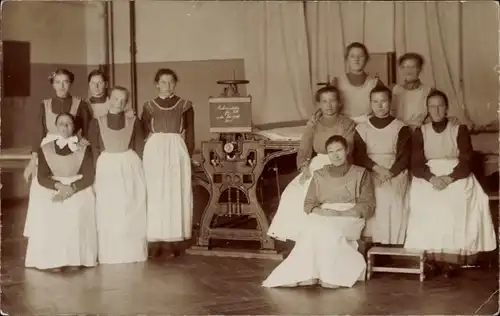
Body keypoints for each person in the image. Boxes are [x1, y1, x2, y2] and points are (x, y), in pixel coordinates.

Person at [404, 89, 496, 278]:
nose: (436, 110)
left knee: (457, 201)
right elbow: (416, 163)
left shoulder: (458, 129)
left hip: (455, 175)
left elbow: (466, 159)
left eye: (440, 106)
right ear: (427, 109)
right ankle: (430, 259)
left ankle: (451, 260)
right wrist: (431, 178)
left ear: (446, 108)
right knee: (425, 201)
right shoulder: (420, 132)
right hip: (429, 176)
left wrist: (450, 177)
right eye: (432, 106)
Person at [263, 135, 375, 288]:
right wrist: (322, 212)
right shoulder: (320, 174)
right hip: (325, 213)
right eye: (331, 152)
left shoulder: (361, 173)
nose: (335, 155)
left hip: (350, 215)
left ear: (347, 150)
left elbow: (367, 205)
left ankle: (333, 275)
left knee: (326, 228)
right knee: (310, 226)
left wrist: (340, 214)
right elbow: (309, 204)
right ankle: (308, 274)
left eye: (339, 150)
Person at [267, 86, 356, 243]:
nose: (328, 105)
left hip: (338, 163)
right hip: (318, 163)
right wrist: (304, 166)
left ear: (340, 103)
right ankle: (302, 238)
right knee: (294, 192)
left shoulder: (347, 124)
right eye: (324, 101)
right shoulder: (314, 124)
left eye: (333, 100)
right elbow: (305, 147)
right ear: (319, 105)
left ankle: (321, 238)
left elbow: (346, 149)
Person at [23, 68, 92, 239]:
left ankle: (72, 237)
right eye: (58, 82)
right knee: (44, 194)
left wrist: (83, 143)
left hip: (72, 151)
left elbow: (88, 131)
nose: (62, 86)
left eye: (65, 82)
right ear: (52, 84)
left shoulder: (80, 104)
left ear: (71, 83)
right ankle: (47, 237)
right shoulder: (44, 104)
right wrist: (33, 161)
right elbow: (37, 134)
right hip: (48, 151)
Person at [25, 112, 97, 272]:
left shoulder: (84, 148)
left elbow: (89, 176)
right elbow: (42, 177)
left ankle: (75, 260)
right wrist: (59, 186)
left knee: (77, 210)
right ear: (56, 127)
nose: (65, 127)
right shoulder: (45, 149)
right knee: (50, 213)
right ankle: (53, 261)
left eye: (69, 123)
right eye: (61, 124)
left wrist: (71, 188)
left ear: (75, 127)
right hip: (55, 186)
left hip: (77, 186)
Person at [89, 86, 147, 264]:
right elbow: (94, 150)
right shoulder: (97, 122)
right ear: (109, 100)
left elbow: (139, 148)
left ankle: (133, 253)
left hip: (129, 165)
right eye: (115, 99)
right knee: (109, 209)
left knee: (130, 207)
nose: (119, 103)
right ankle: (110, 254)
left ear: (127, 102)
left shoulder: (134, 121)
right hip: (107, 167)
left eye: (123, 100)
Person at [141, 68, 195, 259]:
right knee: (155, 194)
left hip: (176, 151)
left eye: (171, 82)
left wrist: (187, 155)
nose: (167, 86)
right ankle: (154, 241)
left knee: (174, 194)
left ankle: (172, 242)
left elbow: (190, 134)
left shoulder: (185, 105)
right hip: (154, 151)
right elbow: (142, 132)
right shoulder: (148, 106)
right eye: (163, 82)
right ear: (157, 84)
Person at [353, 85, 412, 245]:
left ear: (390, 102)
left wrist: (390, 173)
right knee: (371, 195)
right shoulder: (362, 128)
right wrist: (377, 170)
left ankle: (391, 242)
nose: (380, 106)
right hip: (370, 169)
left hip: (394, 170)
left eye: (384, 101)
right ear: (370, 104)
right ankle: (371, 242)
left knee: (390, 196)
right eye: (375, 102)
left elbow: (405, 156)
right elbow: (359, 155)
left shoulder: (401, 127)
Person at [329, 42, 383, 123]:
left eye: (360, 56)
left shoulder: (375, 83)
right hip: (343, 125)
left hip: (368, 125)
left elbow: (382, 109)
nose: (356, 59)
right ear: (347, 59)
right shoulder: (337, 81)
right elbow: (328, 106)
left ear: (366, 59)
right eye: (352, 56)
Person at [391, 53, 432, 130]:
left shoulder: (429, 91)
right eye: (405, 67)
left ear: (420, 69)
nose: (409, 71)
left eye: (413, 67)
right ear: (400, 69)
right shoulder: (394, 90)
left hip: (419, 134)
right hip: (396, 133)